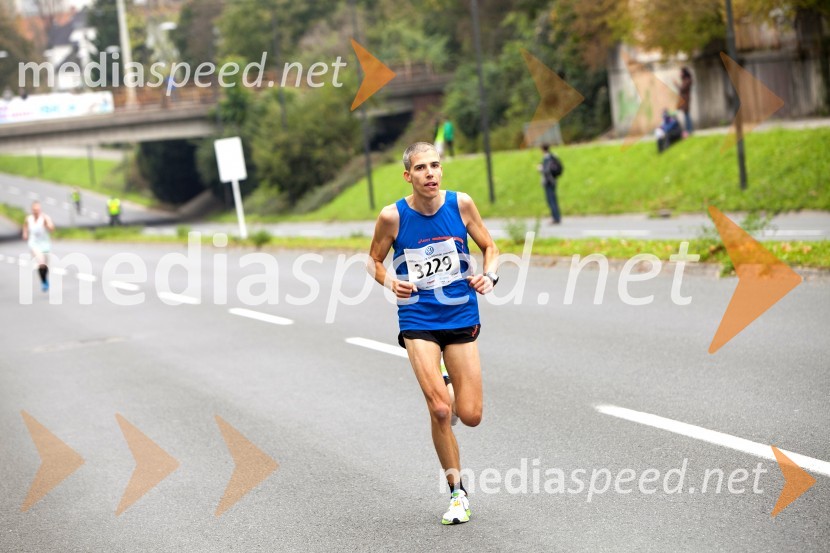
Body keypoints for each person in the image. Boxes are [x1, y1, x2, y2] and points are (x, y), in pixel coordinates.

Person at [368, 142, 499, 525]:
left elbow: (489, 247)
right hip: (418, 318)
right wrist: (391, 282)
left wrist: (488, 275)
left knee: (470, 415)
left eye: (435, 166)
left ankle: (446, 383)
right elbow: (374, 260)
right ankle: (458, 494)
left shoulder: (462, 205)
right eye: (421, 168)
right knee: (440, 409)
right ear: (408, 175)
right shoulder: (392, 216)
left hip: (460, 314)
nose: (430, 173)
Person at [22, 201, 55, 292]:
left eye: (37, 209)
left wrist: (47, 225)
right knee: (41, 262)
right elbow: (25, 225)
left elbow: (52, 229)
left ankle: (44, 279)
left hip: (45, 244)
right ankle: (44, 282)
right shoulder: (29, 218)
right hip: (34, 243)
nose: (36, 211)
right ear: (32, 210)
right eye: (34, 210)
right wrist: (25, 233)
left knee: (45, 265)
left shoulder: (45, 218)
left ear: (40, 210)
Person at [539, 144, 562, 224]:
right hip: (553, 181)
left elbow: (546, 170)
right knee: (553, 200)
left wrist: (541, 169)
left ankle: (555, 218)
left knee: (551, 200)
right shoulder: (552, 157)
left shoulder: (547, 158)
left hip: (549, 182)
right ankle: (557, 217)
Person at [675, 66, 693, 135]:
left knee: (687, 114)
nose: (680, 74)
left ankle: (689, 130)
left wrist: (676, 84)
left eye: (681, 72)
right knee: (686, 114)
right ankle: (688, 130)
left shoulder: (687, 80)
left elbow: (682, 89)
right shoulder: (685, 80)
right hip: (684, 99)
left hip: (686, 99)